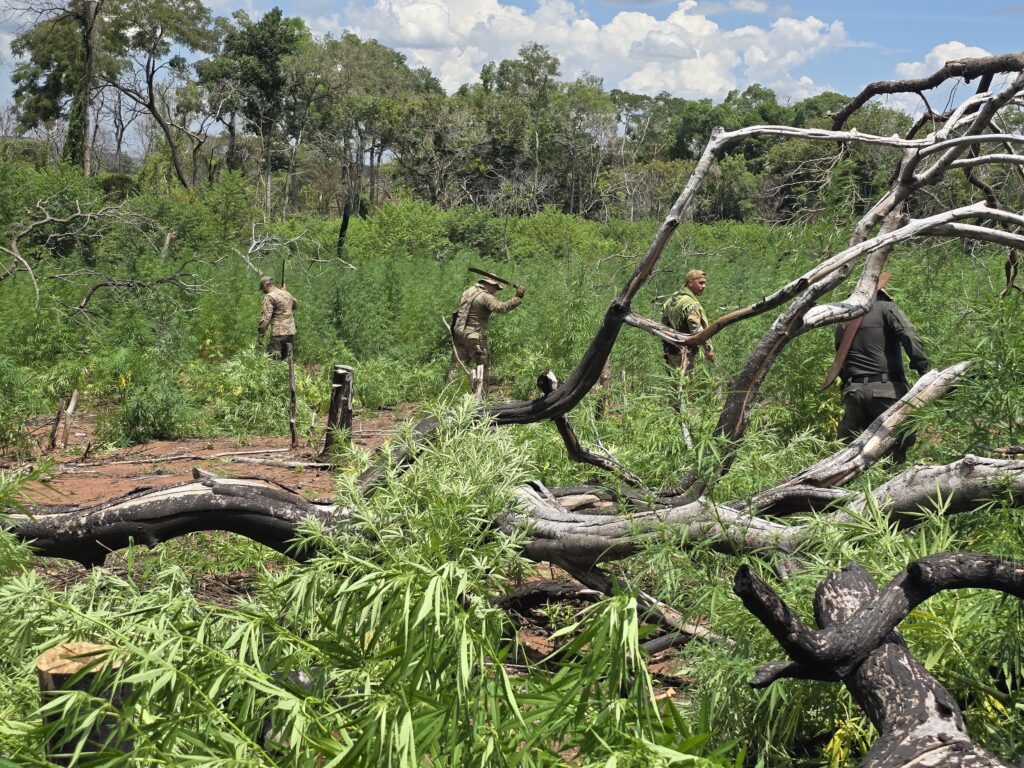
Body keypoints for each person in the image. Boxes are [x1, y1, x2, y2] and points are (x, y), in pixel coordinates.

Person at [835, 286, 930, 462]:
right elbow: (908, 334)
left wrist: (848, 387)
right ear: (881, 295)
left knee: (854, 453)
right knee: (895, 446)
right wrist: (924, 369)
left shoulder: (844, 321)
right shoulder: (886, 308)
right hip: (886, 390)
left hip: (853, 392)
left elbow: (839, 360)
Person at [449, 276, 525, 395]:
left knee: (457, 366)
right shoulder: (486, 297)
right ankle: (482, 395)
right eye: (495, 288)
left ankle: (451, 393)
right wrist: (518, 297)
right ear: (490, 285)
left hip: (459, 335)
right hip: (475, 337)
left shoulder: (468, 291)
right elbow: (501, 308)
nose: (495, 291)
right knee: (483, 366)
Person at [661, 269, 714, 372]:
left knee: (674, 379)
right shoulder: (690, 304)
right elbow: (697, 330)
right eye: (700, 283)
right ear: (690, 283)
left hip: (671, 350)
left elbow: (664, 323)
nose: (704, 286)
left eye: (704, 283)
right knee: (686, 380)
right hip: (685, 353)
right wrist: (708, 349)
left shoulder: (674, 298)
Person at [257, 276, 298, 360]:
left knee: (273, 360)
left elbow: (266, 318)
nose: (263, 291)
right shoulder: (287, 294)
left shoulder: (269, 297)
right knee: (286, 361)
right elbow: (295, 305)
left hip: (278, 334)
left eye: (262, 289)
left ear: (265, 285)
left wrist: (261, 334)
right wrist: (285, 292)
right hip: (290, 332)